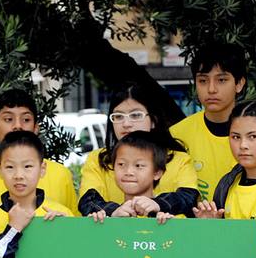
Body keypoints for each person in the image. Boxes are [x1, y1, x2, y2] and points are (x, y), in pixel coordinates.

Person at [78, 85, 198, 217]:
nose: (126, 123)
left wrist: (157, 204)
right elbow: (88, 200)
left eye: (135, 115)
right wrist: (115, 211)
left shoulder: (178, 159)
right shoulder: (98, 159)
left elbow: (188, 198)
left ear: (154, 120)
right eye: (118, 116)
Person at [0, 89, 78, 214]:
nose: (18, 126)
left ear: (36, 127)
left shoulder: (60, 175)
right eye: (8, 119)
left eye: (26, 120)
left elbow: (73, 226)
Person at [172, 42, 248, 199]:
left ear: (239, 83)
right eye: (203, 81)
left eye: (221, 80)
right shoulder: (177, 135)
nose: (211, 89)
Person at [195, 100, 256, 220]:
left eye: (253, 136)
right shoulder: (226, 185)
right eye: (236, 137)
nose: (243, 145)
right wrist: (212, 224)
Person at [85, 131, 178, 223]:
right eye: (121, 164)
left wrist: (170, 226)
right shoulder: (107, 216)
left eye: (138, 165)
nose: (128, 172)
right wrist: (103, 222)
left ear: (157, 173)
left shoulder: (168, 216)